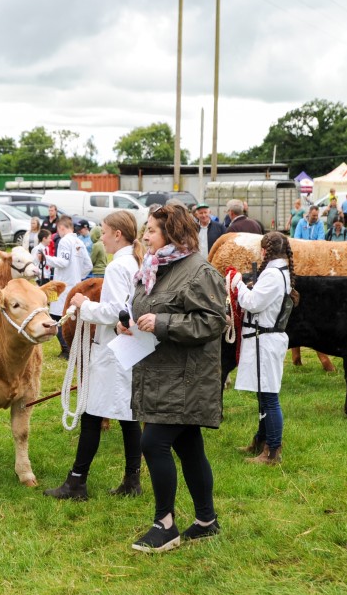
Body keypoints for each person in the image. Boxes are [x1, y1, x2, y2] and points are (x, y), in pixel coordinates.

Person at [121, 202, 225, 553]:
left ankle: (164, 526)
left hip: (186, 378)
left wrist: (163, 323)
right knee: (188, 445)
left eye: (151, 230)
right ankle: (206, 521)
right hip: (159, 373)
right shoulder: (155, 267)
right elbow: (146, 308)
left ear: (172, 232)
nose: (145, 236)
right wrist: (128, 322)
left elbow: (213, 322)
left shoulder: (198, 271)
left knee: (153, 443)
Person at [45, 211, 144, 500]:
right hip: (127, 349)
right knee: (128, 417)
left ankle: (77, 482)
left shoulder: (117, 267)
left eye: (105, 230)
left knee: (91, 414)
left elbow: (115, 311)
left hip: (111, 350)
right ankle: (132, 479)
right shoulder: (135, 262)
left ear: (118, 234)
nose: (101, 236)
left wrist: (84, 304)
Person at [232, 231, 296, 466]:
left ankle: (272, 451)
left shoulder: (272, 274)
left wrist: (238, 284)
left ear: (264, 251)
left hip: (266, 340)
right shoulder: (280, 272)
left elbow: (252, 303)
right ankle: (261, 440)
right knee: (264, 394)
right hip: (266, 338)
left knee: (269, 397)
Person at [44, 215, 93, 359]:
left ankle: (67, 349)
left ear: (61, 227)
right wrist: (77, 275)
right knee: (68, 317)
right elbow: (88, 265)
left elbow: (63, 262)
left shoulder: (64, 241)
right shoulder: (79, 242)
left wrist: (46, 259)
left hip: (62, 286)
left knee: (56, 316)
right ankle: (72, 348)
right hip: (75, 284)